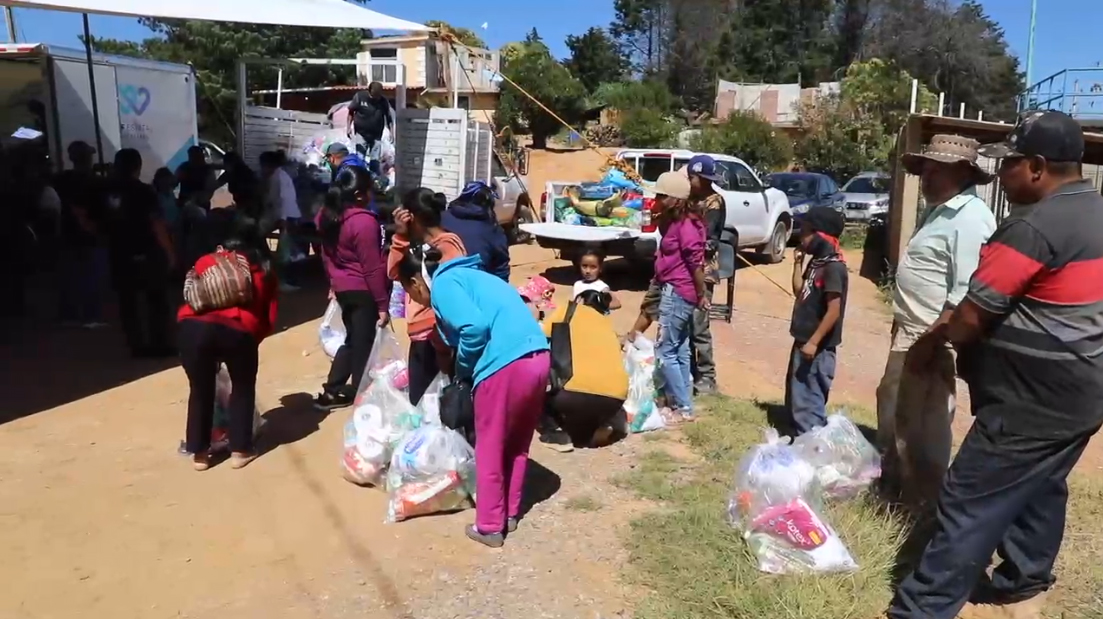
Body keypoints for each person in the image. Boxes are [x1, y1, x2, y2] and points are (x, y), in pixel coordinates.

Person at [886, 111, 1103, 619]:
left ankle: (922, 607)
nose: (1001, 176)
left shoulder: (1029, 228)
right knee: (1042, 484)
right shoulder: (1096, 210)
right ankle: (1025, 576)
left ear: (1037, 166)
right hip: (1084, 391)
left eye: (1009, 165)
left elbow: (969, 317)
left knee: (968, 498)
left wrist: (930, 344)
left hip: (1030, 399)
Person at [394, 246, 550, 549]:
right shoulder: (474, 276)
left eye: (410, 293)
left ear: (415, 282)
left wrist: (463, 368)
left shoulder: (443, 285)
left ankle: (490, 525)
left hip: (505, 363)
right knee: (517, 441)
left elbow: (474, 329)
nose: (415, 300)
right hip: (538, 357)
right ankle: (509, 514)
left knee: (489, 445)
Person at [877, 134, 997, 515]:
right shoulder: (939, 209)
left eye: (933, 170)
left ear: (961, 172)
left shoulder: (971, 219)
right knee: (896, 409)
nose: (924, 178)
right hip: (913, 330)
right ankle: (896, 487)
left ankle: (920, 505)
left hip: (934, 337)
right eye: (924, 169)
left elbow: (965, 294)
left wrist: (929, 343)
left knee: (924, 425)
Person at [177, 209, 278, 471]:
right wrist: (250, 341)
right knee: (242, 387)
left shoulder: (207, 260)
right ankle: (241, 450)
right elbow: (269, 315)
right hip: (238, 329)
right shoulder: (261, 266)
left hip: (192, 329)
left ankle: (199, 454)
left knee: (200, 390)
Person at [315, 166, 390, 410]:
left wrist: (332, 282)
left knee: (353, 340)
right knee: (364, 346)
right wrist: (382, 304)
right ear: (359, 194)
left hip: (343, 288)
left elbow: (325, 255)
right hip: (363, 290)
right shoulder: (363, 222)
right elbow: (371, 268)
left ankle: (332, 390)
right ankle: (363, 399)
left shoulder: (326, 216)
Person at [387, 187, 467, 404]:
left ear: (411, 217)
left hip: (436, 335)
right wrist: (400, 237)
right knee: (426, 399)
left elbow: (452, 297)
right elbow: (394, 273)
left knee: (429, 401)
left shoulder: (447, 247)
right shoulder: (423, 245)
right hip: (424, 334)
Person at [105, 148, 177, 358]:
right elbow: (157, 224)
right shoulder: (143, 191)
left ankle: (136, 345)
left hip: (118, 251)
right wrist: (170, 253)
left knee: (128, 302)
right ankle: (160, 344)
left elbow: (92, 219)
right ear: (138, 166)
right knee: (156, 300)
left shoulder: (104, 190)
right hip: (146, 251)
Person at [785, 206, 848, 435]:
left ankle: (813, 446)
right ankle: (800, 439)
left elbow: (833, 310)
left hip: (817, 347)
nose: (801, 236)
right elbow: (799, 290)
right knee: (797, 395)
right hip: (803, 341)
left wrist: (814, 341)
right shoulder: (817, 262)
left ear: (822, 235)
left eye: (806, 231)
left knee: (809, 400)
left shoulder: (833, 268)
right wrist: (797, 264)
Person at [650, 171, 707, 422]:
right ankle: (682, 400)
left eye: (662, 196)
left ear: (674, 199)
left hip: (678, 291)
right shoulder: (677, 221)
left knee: (665, 350)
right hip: (677, 289)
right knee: (681, 347)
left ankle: (683, 407)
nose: (658, 200)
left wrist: (702, 293)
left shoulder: (686, 226)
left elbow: (696, 263)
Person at [543, 289, 629, 448]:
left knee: (539, 381)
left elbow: (540, 335)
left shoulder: (569, 310)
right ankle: (597, 428)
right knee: (593, 392)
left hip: (573, 395)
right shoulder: (606, 323)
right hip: (615, 399)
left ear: (580, 301)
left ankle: (555, 433)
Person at [55, 140, 109, 328]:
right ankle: (90, 316)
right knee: (91, 277)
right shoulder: (93, 181)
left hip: (68, 234)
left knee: (70, 277)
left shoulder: (61, 180)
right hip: (89, 235)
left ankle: (69, 316)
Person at [684, 154, 725, 395]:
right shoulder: (689, 198)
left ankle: (708, 377)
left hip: (704, 271)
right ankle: (688, 372)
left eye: (694, 178)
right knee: (684, 326)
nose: (691, 181)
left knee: (699, 326)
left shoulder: (714, 203)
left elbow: (709, 240)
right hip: (685, 271)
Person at [442, 181, 510, 281]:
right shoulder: (491, 230)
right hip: (477, 285)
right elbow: (501, 267)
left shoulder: (442, 218)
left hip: (441, 281)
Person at [259, 150, 302, 292]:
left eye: (262, 166)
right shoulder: (277, 176)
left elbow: (283, 201)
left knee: (281, 251)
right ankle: (282, 280)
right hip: (282, 218)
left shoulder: (279, 178)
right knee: (281, 250)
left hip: (284, 218)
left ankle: (283, 281)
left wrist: (281, 220)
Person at [347, 81, 393, 171]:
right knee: (360, 158)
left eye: (377, 96)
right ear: (369, 92)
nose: (375, 98)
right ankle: (360, 178)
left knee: (375, 160)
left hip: (376, 135)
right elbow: (351, 112)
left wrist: (392, 132)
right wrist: (348, 127)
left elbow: (388, 117)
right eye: (374, 96)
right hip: (361, 133)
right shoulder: (360, 97)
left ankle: (373, 179)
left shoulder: (383, 101)